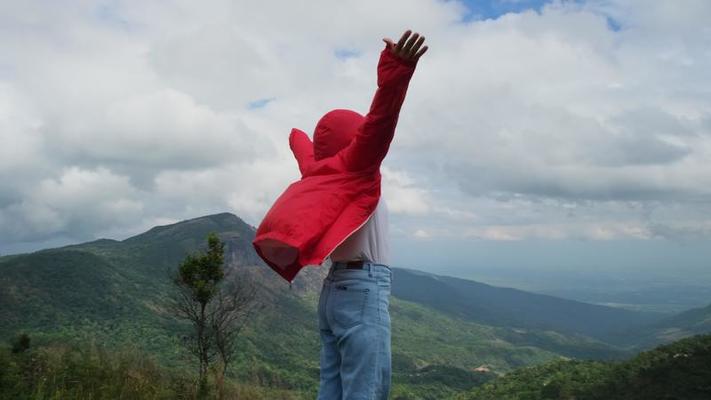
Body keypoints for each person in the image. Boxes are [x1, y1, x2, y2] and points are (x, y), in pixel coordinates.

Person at [253, 29, 428, 399]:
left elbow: (302, 148)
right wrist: (399, 70)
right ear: (356, 138)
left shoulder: (319, 174)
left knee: (331, 388)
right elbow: (382, 119)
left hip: (333, 291)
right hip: (363, 288)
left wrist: (301, 139)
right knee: (366, 390)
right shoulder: (357, 166)